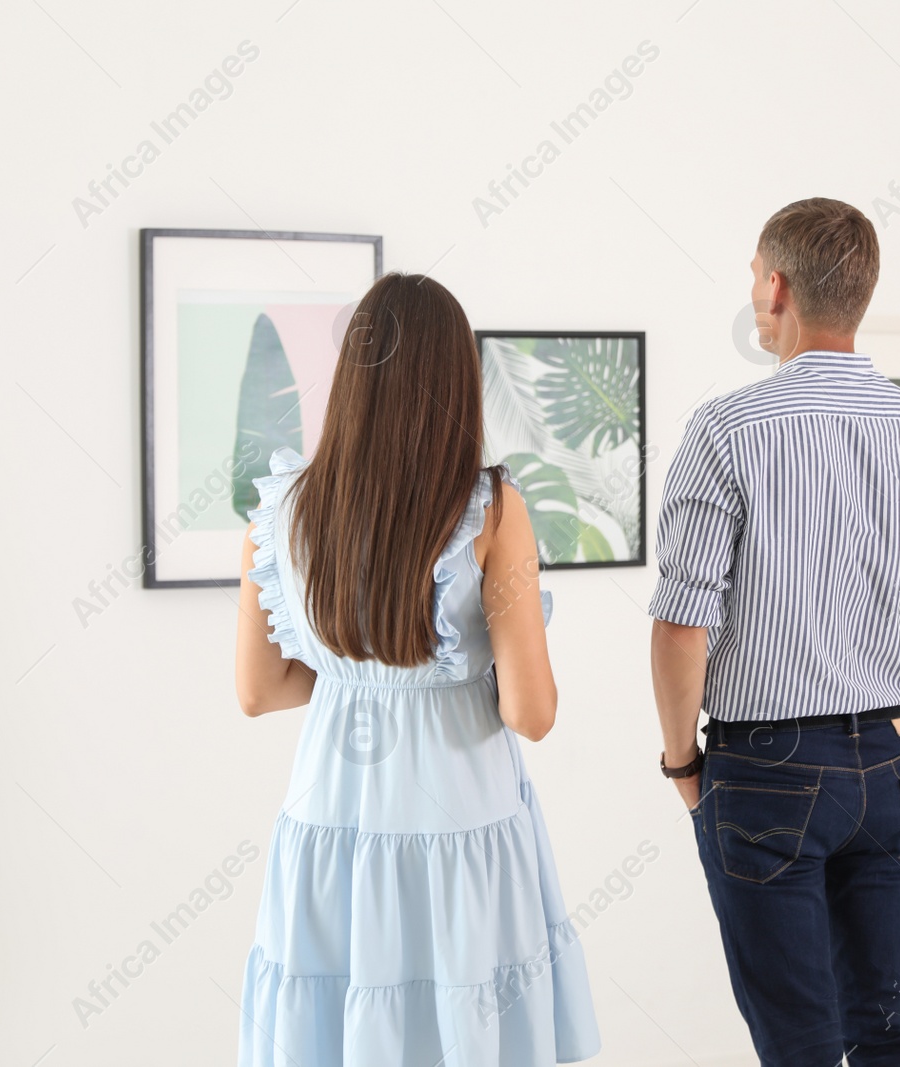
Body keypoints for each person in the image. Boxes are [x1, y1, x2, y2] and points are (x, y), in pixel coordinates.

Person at [233, 273, 600, 1067]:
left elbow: (261, 690)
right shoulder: (491, 509)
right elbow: (531, 712)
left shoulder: (282, 509)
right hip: (460, 818)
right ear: (457, 384)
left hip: (332, 814)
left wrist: (361, 675)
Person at [648, 198, 900, 1066]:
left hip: (763, 772)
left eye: (756, 276)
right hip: (884, 768)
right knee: (891, 1028)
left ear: (778, 284)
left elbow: (683, 626)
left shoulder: (727, 429)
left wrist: (683, 762)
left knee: (799, 1044)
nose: (755, 293)